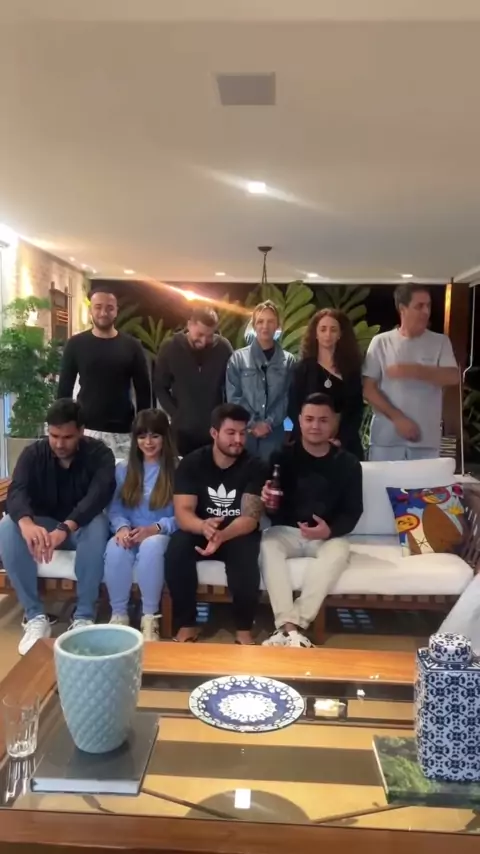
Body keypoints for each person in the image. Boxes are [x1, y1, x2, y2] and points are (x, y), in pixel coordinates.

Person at [0, 399, 115, 655]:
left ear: (81, 431)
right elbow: (17, 491)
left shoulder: (99, 454)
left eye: (67, 437)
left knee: (98, 523)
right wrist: (26, 523)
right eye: (54, 436)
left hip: (80, 527)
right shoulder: (33, 454)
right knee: (7, 525)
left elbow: (98, 496)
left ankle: (84, 616)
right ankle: (35, 616)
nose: (60, 444)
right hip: (44, 527)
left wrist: (65, 527)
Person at [260, 393, 363, 648]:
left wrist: (329, 530)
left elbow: (353, 511)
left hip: (327, 536)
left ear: (334, 423)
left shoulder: (348, 463)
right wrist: (267, 502)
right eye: (309, 419)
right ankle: (290, 630)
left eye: (323, 420)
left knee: (339, 552)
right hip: (286, 532)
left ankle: (291, 626)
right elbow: (271, 510)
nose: (315, 426)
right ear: (299, 421)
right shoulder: (280, 457)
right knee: (268, 546)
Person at [164, 403, 265, 645]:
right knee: (177, 549)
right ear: (214, 433)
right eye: (231, 433)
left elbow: (251, 518)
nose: (238, 440)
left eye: (242, 433)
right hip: (200, 528)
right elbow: (183, 512)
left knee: (245, 555)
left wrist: (222, 535)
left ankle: (243, 629)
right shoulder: (191, 463)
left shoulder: (255, 466)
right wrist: (204, 527)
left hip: (236, 531)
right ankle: (187, 624)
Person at [104, 409, 178, 641]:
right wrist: (122, 527)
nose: (148, 442)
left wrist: (156, 528)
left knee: (151, 547)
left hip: (161, 532)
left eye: (155, 436)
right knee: (115, 548)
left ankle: (150, 617)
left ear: (165, 437)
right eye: (142, 436)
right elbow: (115, 508)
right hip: (131, 531)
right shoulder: (123, 469)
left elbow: (185, 515)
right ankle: (119, 615)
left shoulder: (177, 469)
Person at [363, 284, 458, 461]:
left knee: (425, 481)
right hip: (386, 441)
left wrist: (415, 370)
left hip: (426, 441)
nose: (426, 311)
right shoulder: (380, 342)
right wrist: (398, 418)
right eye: (419, 306)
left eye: (428, 305)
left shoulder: (440, 342)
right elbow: (368, 389)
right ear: (402, 309)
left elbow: (453, 377)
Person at [57, 287, 151, 459]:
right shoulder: (76, 344)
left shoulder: (132, 346)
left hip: (124, 431)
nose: (103, 313)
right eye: (98, 307)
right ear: (90, 310)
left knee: (122, 476)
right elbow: (64, 389)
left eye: (109, 308)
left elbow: (144, 391)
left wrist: (143, 429)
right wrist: (64, 427)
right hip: (86, 429)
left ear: (116, 311)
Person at [154, 306, 233, 457]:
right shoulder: (170, 348)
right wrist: (176, 414)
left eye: (210, 336)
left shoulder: (223, 348)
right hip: (181, 434)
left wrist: (224, 417)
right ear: (189, 325)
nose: (204, 341)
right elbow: (160, 386)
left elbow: (232, 386)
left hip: (214, 432)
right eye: (200, 334)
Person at [289, 308, 365, 459]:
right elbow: (293, 408)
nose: (328, 334)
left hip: (343, 446)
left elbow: (356, 410)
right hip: (308, 446)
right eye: (323, 329)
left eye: (333, 330)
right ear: (316, 334)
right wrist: (309, 439)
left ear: (340, 334)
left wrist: (340, 439)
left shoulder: (351, 370)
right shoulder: (302, 369)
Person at [226, 301, 295, 460]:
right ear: (254, 325)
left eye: (270, 321)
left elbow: (288, 397)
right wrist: (253, 423)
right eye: (260, 321)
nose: (265, 326)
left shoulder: (289, 361)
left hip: (275, 434)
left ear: (277, 325)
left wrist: (268, 423)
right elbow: (234, 396)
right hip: (244, 433)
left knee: (271, 473)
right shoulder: (238, 359)